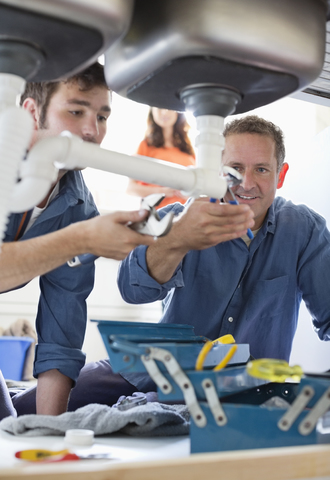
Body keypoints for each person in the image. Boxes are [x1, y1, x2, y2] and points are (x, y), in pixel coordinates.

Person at [0, 62, 155, 417]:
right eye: (75, 111)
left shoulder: (78, 206)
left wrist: (48, 435)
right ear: (30, 112)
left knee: (10, 430)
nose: (91, 130)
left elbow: (61, 334)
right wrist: (79, 239)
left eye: (102, 116)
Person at [126, 107, 195, 208]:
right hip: (157, 216)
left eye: (168, 108)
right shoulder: (146, 146)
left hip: (185, 214)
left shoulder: (188, 149)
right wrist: (163, 191)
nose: (164, 112)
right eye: (159, 108)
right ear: (152, 112)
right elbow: (131, 188)